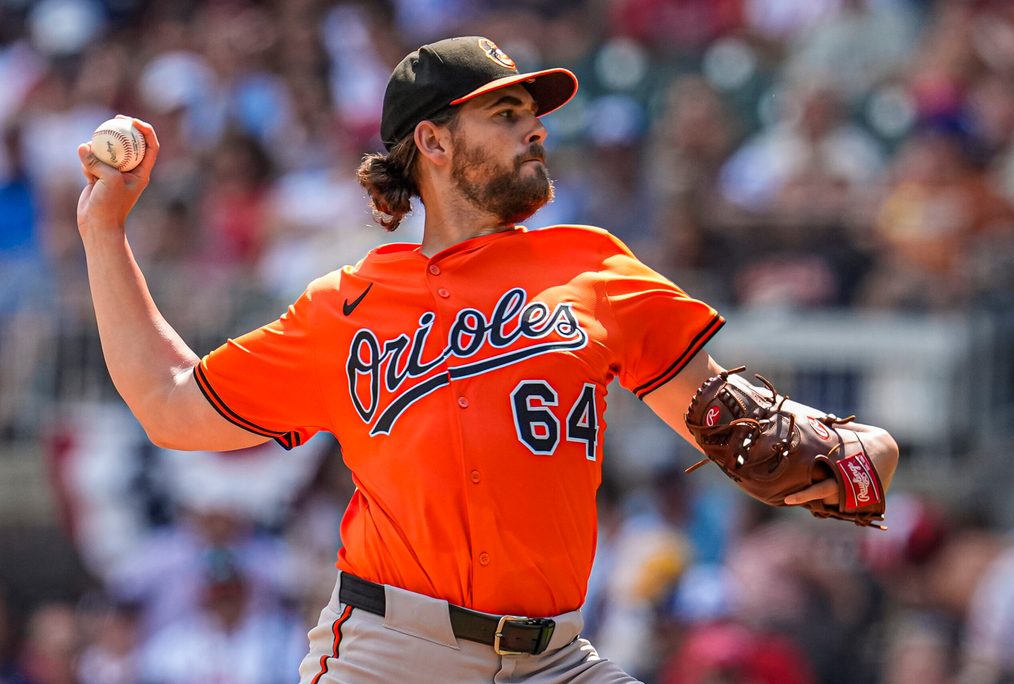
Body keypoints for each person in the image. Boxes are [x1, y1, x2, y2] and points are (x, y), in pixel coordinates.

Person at [75, 35, 898, 684]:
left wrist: (830, 450)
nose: (535, 127)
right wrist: (104, 232)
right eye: (504, 113)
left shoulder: (594, 269)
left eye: (530, 113)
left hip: (555, 658)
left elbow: (722, 418)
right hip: (392, 657)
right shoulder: (346, 304)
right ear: (431, 140)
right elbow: (170, 401)